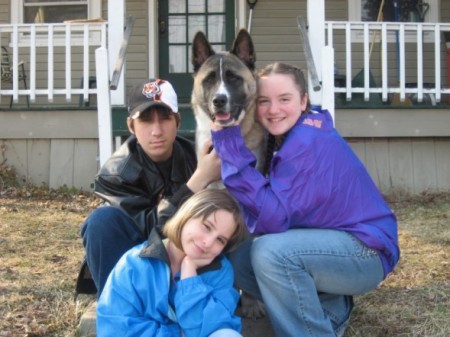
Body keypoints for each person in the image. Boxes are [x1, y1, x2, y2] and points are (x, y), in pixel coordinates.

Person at [210, 62, 400, 337]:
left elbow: (273, 218)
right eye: (264, 101)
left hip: (366, 251)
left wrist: (229, 145)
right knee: (237, 257)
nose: (274, 110)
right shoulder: (294, 133)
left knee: (271, 253)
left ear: (303, 101)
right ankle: (330, 310)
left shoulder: (307, 141)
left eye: (284, 99)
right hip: (334, 244)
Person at [76, 78, 221, 296]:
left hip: (188, 256)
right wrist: (198, 181)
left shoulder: (198, 157)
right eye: (145, 120)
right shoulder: (115, 172)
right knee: (100, 221)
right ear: (131, 126)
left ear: (178, 122)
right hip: (136, 257)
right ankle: (117, 304)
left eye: (165, 118)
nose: (156, 131)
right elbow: (150, 232)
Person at [96, 189, 247, 337]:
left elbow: (214, 328)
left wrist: (190, 278)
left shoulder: (221, 272)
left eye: (220, 240)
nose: (208, 242)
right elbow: (115, 328)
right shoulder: (134, 263)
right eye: (207, 227)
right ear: (187, 215)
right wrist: (176, 333)